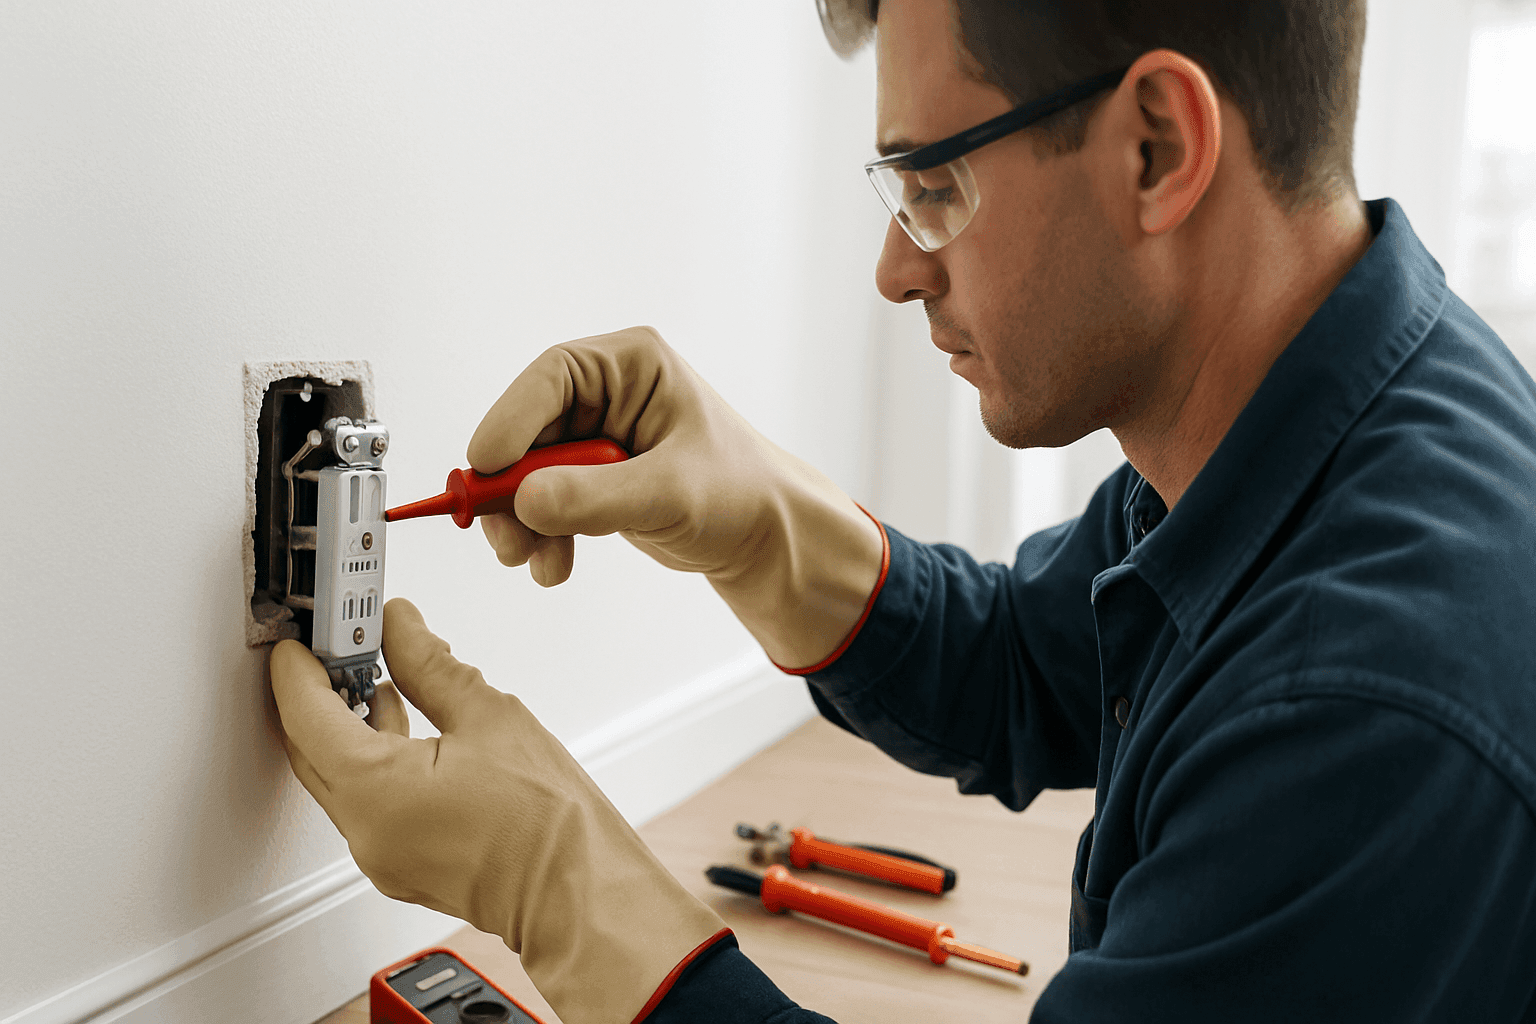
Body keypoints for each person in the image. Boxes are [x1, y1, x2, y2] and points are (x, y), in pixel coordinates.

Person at [269, 0, 1536, 1020]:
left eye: (935, 183)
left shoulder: (1368, 709)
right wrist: (770, 527)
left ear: (1157, 144)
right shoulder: (1319, 417)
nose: (895, 267)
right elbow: (1030, 665)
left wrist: (556, 880)